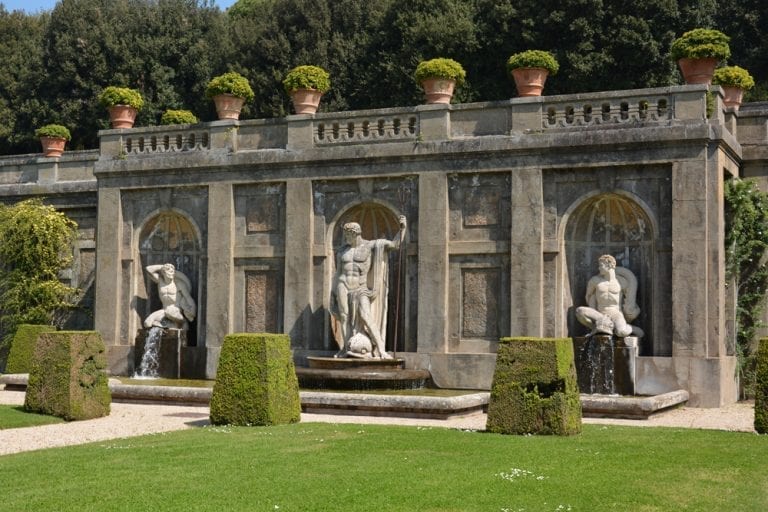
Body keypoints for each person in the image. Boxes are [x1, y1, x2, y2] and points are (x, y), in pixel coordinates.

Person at [331, 216, 407, 358]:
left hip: (361, 287)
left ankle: (381, 349)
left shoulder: (371, 245)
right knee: (344, 316)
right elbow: (338, 273)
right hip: (343, 284)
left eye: (347, 235)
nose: (345, 238)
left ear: (355, 234)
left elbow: (395, 245)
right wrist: (332, 293)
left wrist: (402, 229)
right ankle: (345, 348)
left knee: (366, 316)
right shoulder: (342, 251)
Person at [575, 254, 643, 338]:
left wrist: (631, 310)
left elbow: (630, 299)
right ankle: (595, 328)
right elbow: (589, 297)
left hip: (616, 314)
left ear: (609, 265)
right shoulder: (595, 281)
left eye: (601, 265)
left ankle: (631, 328)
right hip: (599, 314)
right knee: (580, 311)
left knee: (621, 332)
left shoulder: (622, 281)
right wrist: (595, 313)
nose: (599, 268)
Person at [144, 263, 196, 330]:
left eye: (173, 272)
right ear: (163, 272)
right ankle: (170, 324)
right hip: (164, 310)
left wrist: (193, 311)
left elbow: (188, 298)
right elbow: (148, 269)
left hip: (176, 311)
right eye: (169, 271)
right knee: (147, 323)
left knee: (169, 313)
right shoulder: (160, 282)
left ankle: (182, 322)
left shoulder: (179, 284)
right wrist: (163, 267)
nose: (171, 273)